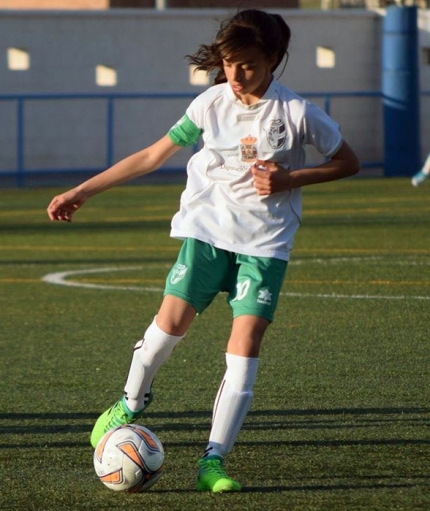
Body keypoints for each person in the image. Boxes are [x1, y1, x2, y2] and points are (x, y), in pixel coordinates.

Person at [47, 9, 360, 492]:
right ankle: (129, 403)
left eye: (248, 65)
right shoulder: (210, 104)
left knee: (245, 347)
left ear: (274, 60)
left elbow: (347, 161)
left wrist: (291, 178)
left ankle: (213, 461)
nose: (235, 76)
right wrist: (82, 191)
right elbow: (153, 156)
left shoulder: (296, 113)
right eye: (229, 63)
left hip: (265, 245)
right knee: (169, 325)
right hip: (207, 233)